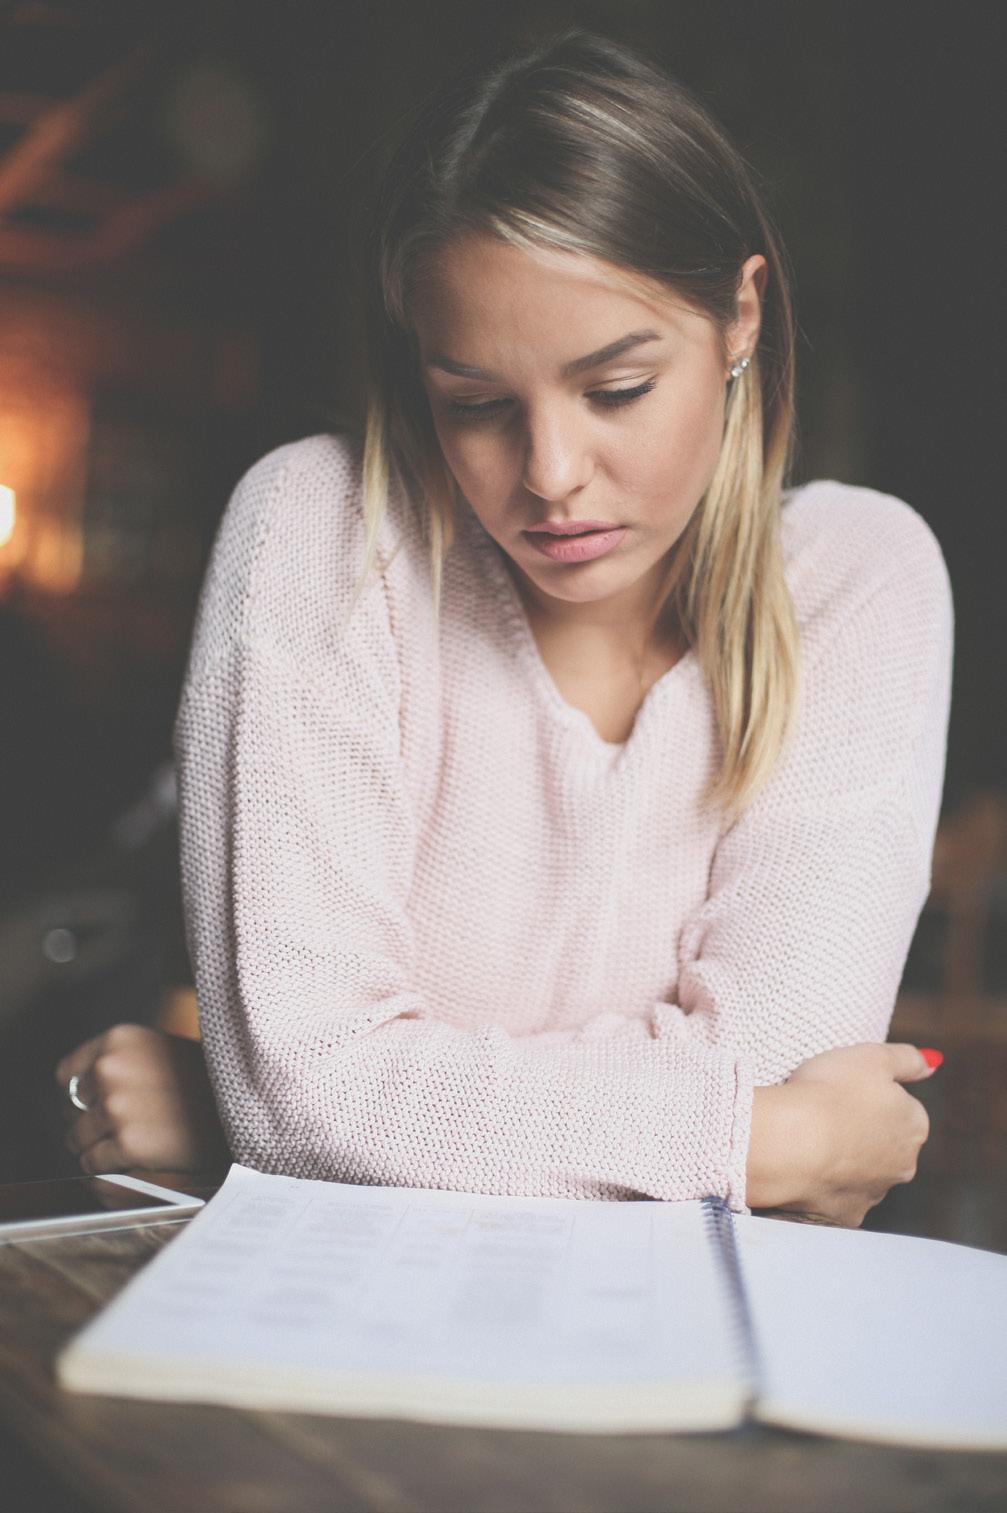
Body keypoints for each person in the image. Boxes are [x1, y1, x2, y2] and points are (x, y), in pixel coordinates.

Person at [53, 27, 953, 1227]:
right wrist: (747, 1140)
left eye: (615, 388)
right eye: (474, 404)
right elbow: (308, 1092)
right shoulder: (323, 525)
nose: (550, 473)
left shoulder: (858, 574)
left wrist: (262, 1114)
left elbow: (315, 1099)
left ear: (740, 318)